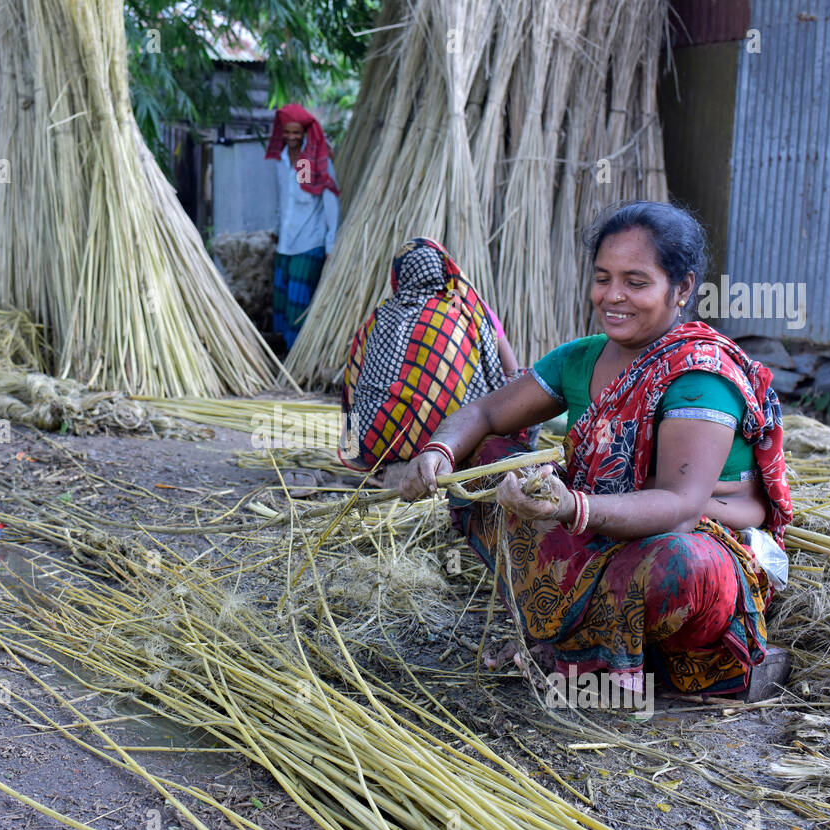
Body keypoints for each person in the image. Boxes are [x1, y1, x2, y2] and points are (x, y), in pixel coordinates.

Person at [399, 201, 793, 699]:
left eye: (636, 281)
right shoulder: (581, 357)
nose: (613, 296)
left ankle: (593, 655)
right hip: (600, 524)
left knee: (681, 566)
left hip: (687, 536)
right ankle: (560, 634)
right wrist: (438, 453)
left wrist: (571, 506)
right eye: (603, 277)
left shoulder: (699, 376)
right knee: (489, 457)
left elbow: (679, 508)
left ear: (684, 289)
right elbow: (485, 414)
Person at [339, 237, 523, 487]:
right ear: (443, 269)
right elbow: (512, 373)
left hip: (377, 442)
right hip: (452, 442)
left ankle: (386, 462)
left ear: (398, 275)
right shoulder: (467, 311)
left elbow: (352, 383)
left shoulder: (377, 317)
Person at [265, 104, 339, 349]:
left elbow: (329, 202)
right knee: (282, 304)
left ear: (305, 132)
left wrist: (330, 243)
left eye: (296, 133)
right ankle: (283, 357)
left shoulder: (312, 162)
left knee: (299, 304)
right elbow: (284, 200)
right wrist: (277, 230)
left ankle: (298, 358)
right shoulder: (282, 160)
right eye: (287, 132)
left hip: (308, 244)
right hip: (285, 245)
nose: (291, 138)